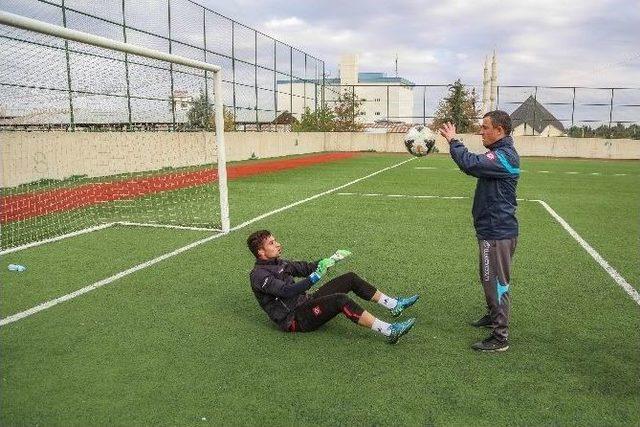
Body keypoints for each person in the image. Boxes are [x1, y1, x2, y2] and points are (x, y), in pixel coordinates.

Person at [247, 230, 419, 344]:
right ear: (260, 252)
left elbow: (305, 268)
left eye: (275, 240)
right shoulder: (259, 275)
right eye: (271, 243)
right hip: (295, 319)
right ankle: (389, 331)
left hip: (306, 302)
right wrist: (315, 277)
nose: (277, 244)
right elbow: (286, 291)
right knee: (340, 300)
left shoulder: (279, 262)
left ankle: (394, 305)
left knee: (349, 278)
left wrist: (331, 259)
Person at [439, 110, 520, 352]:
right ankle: (492, 315)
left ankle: (500, 337)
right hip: (492, 230)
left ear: (499, 131)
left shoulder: (505, 156)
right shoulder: (499, 153)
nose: (481, 131)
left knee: (496, 282)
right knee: (488, 278)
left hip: (498, 233)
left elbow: (470, 163)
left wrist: (454, 140)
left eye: (485, 127)